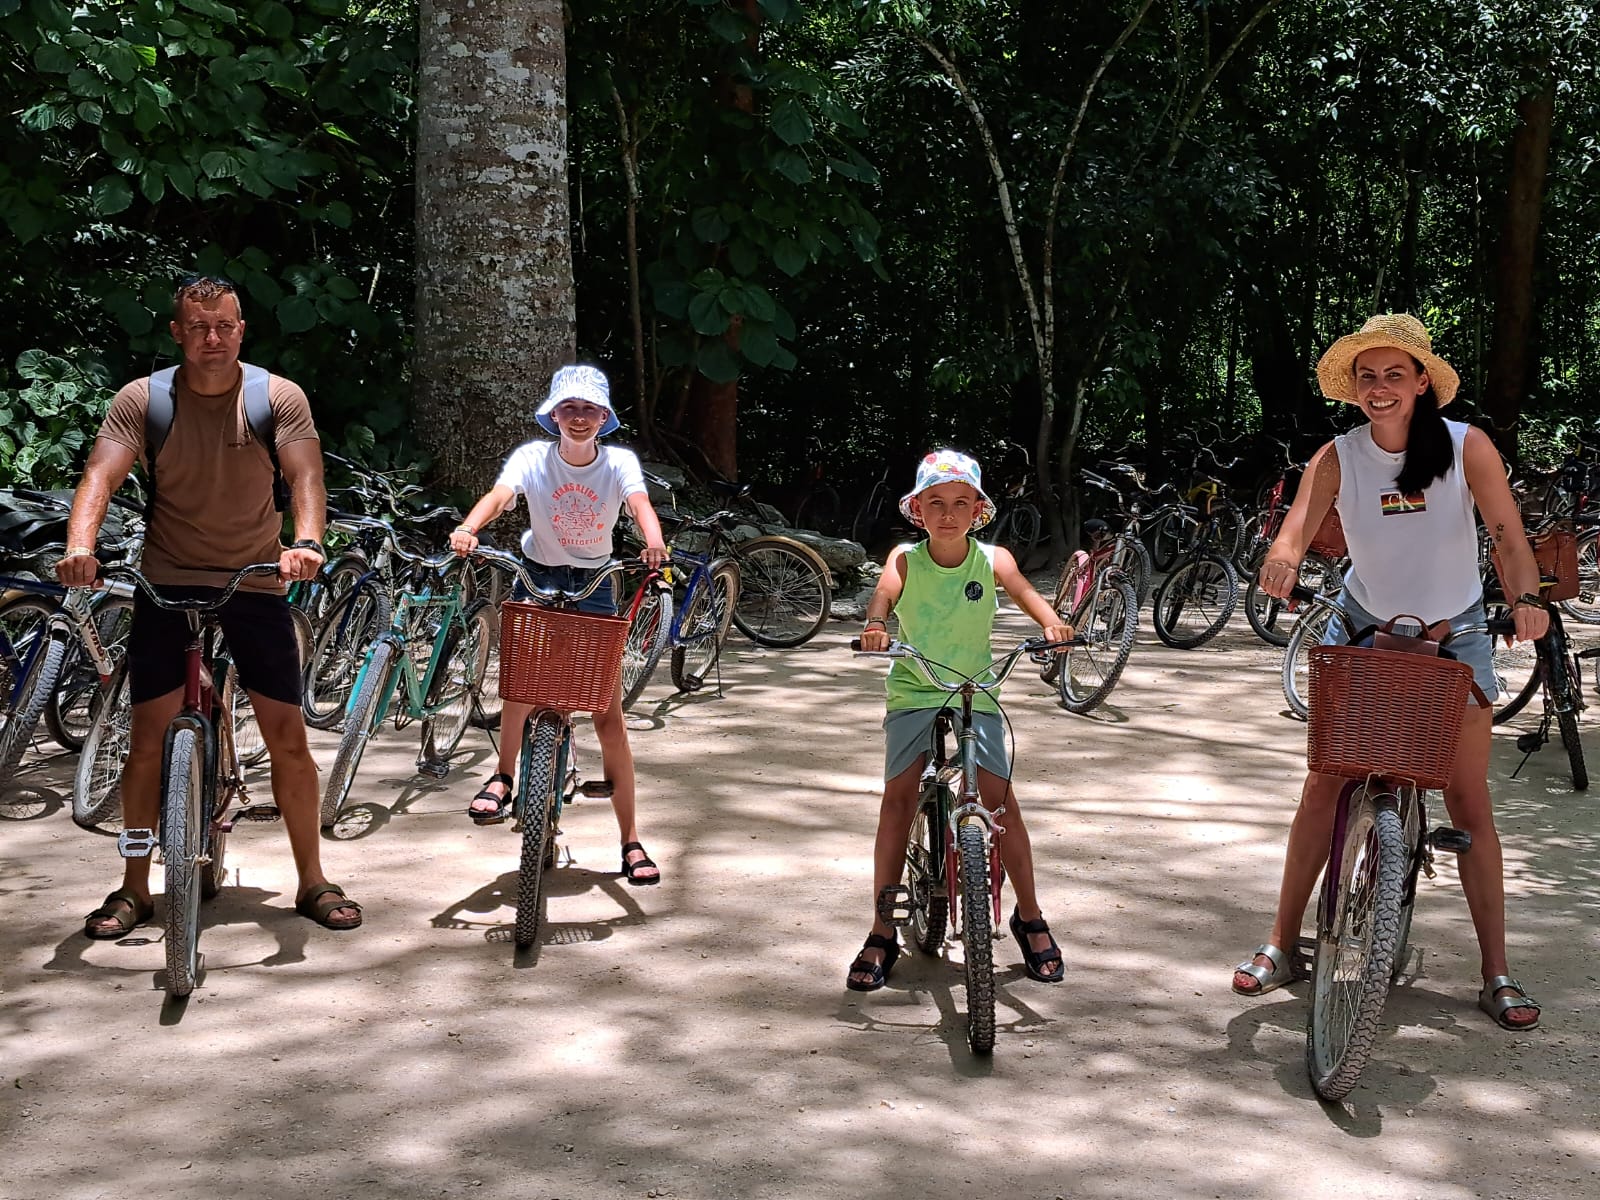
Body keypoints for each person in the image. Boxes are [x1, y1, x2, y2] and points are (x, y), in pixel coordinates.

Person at [1235, 313, 1547, 1030]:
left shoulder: (1467, 448)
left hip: (1457, 632)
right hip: (1363, 626)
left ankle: (1496, 971)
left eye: (1394, 376)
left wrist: (1527, 597)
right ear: (1356, 389)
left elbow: (1505, 533)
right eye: (1368, 377)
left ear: (1420, 384)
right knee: (1326, 784)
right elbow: (1294, 530)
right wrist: (1280, 563)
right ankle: (1283, 942)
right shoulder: (1337, 456)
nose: (1380, 388)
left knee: (1470, 803)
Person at [58, 274, 362, 936]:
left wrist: (306, 541)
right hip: (167, 581)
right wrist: (81, 546)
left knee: (286, 734)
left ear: (242, 329)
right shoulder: (144, 400)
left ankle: (312, 878)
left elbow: (305, 475)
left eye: (224, 326)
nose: (211, 338)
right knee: (146, 741)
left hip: (254, 580)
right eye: (197, 328)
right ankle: (134, 887)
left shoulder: (275, 397)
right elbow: (99, 477)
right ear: (177, 333)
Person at [846, 450, 1073, 991]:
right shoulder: (904, 558)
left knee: (1000, 800)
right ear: (918, 510)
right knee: (898, 798)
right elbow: (883, 595)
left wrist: (1053, 623)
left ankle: (1030, 917)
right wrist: (876, 624)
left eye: (960, 504)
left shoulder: (992, 559)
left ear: (978, 510)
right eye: (935, 504)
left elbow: (1025, 593)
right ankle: (882, 930)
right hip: (915, 688)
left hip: (977, 691)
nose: (947, 514)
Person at [448, 365, 668, 884]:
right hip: (537, 573)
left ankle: (630, 839)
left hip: (597, 579)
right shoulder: (533, 457)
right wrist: (468, 526)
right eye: (568, 408)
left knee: (606, 711)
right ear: (553, 414)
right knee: (522, 685)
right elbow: (502, 495)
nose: (578, 418)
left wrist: (653, 540)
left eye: (589, 409)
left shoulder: (617, 461)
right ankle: (503, 775)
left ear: (604, 417)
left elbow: (639, 505)